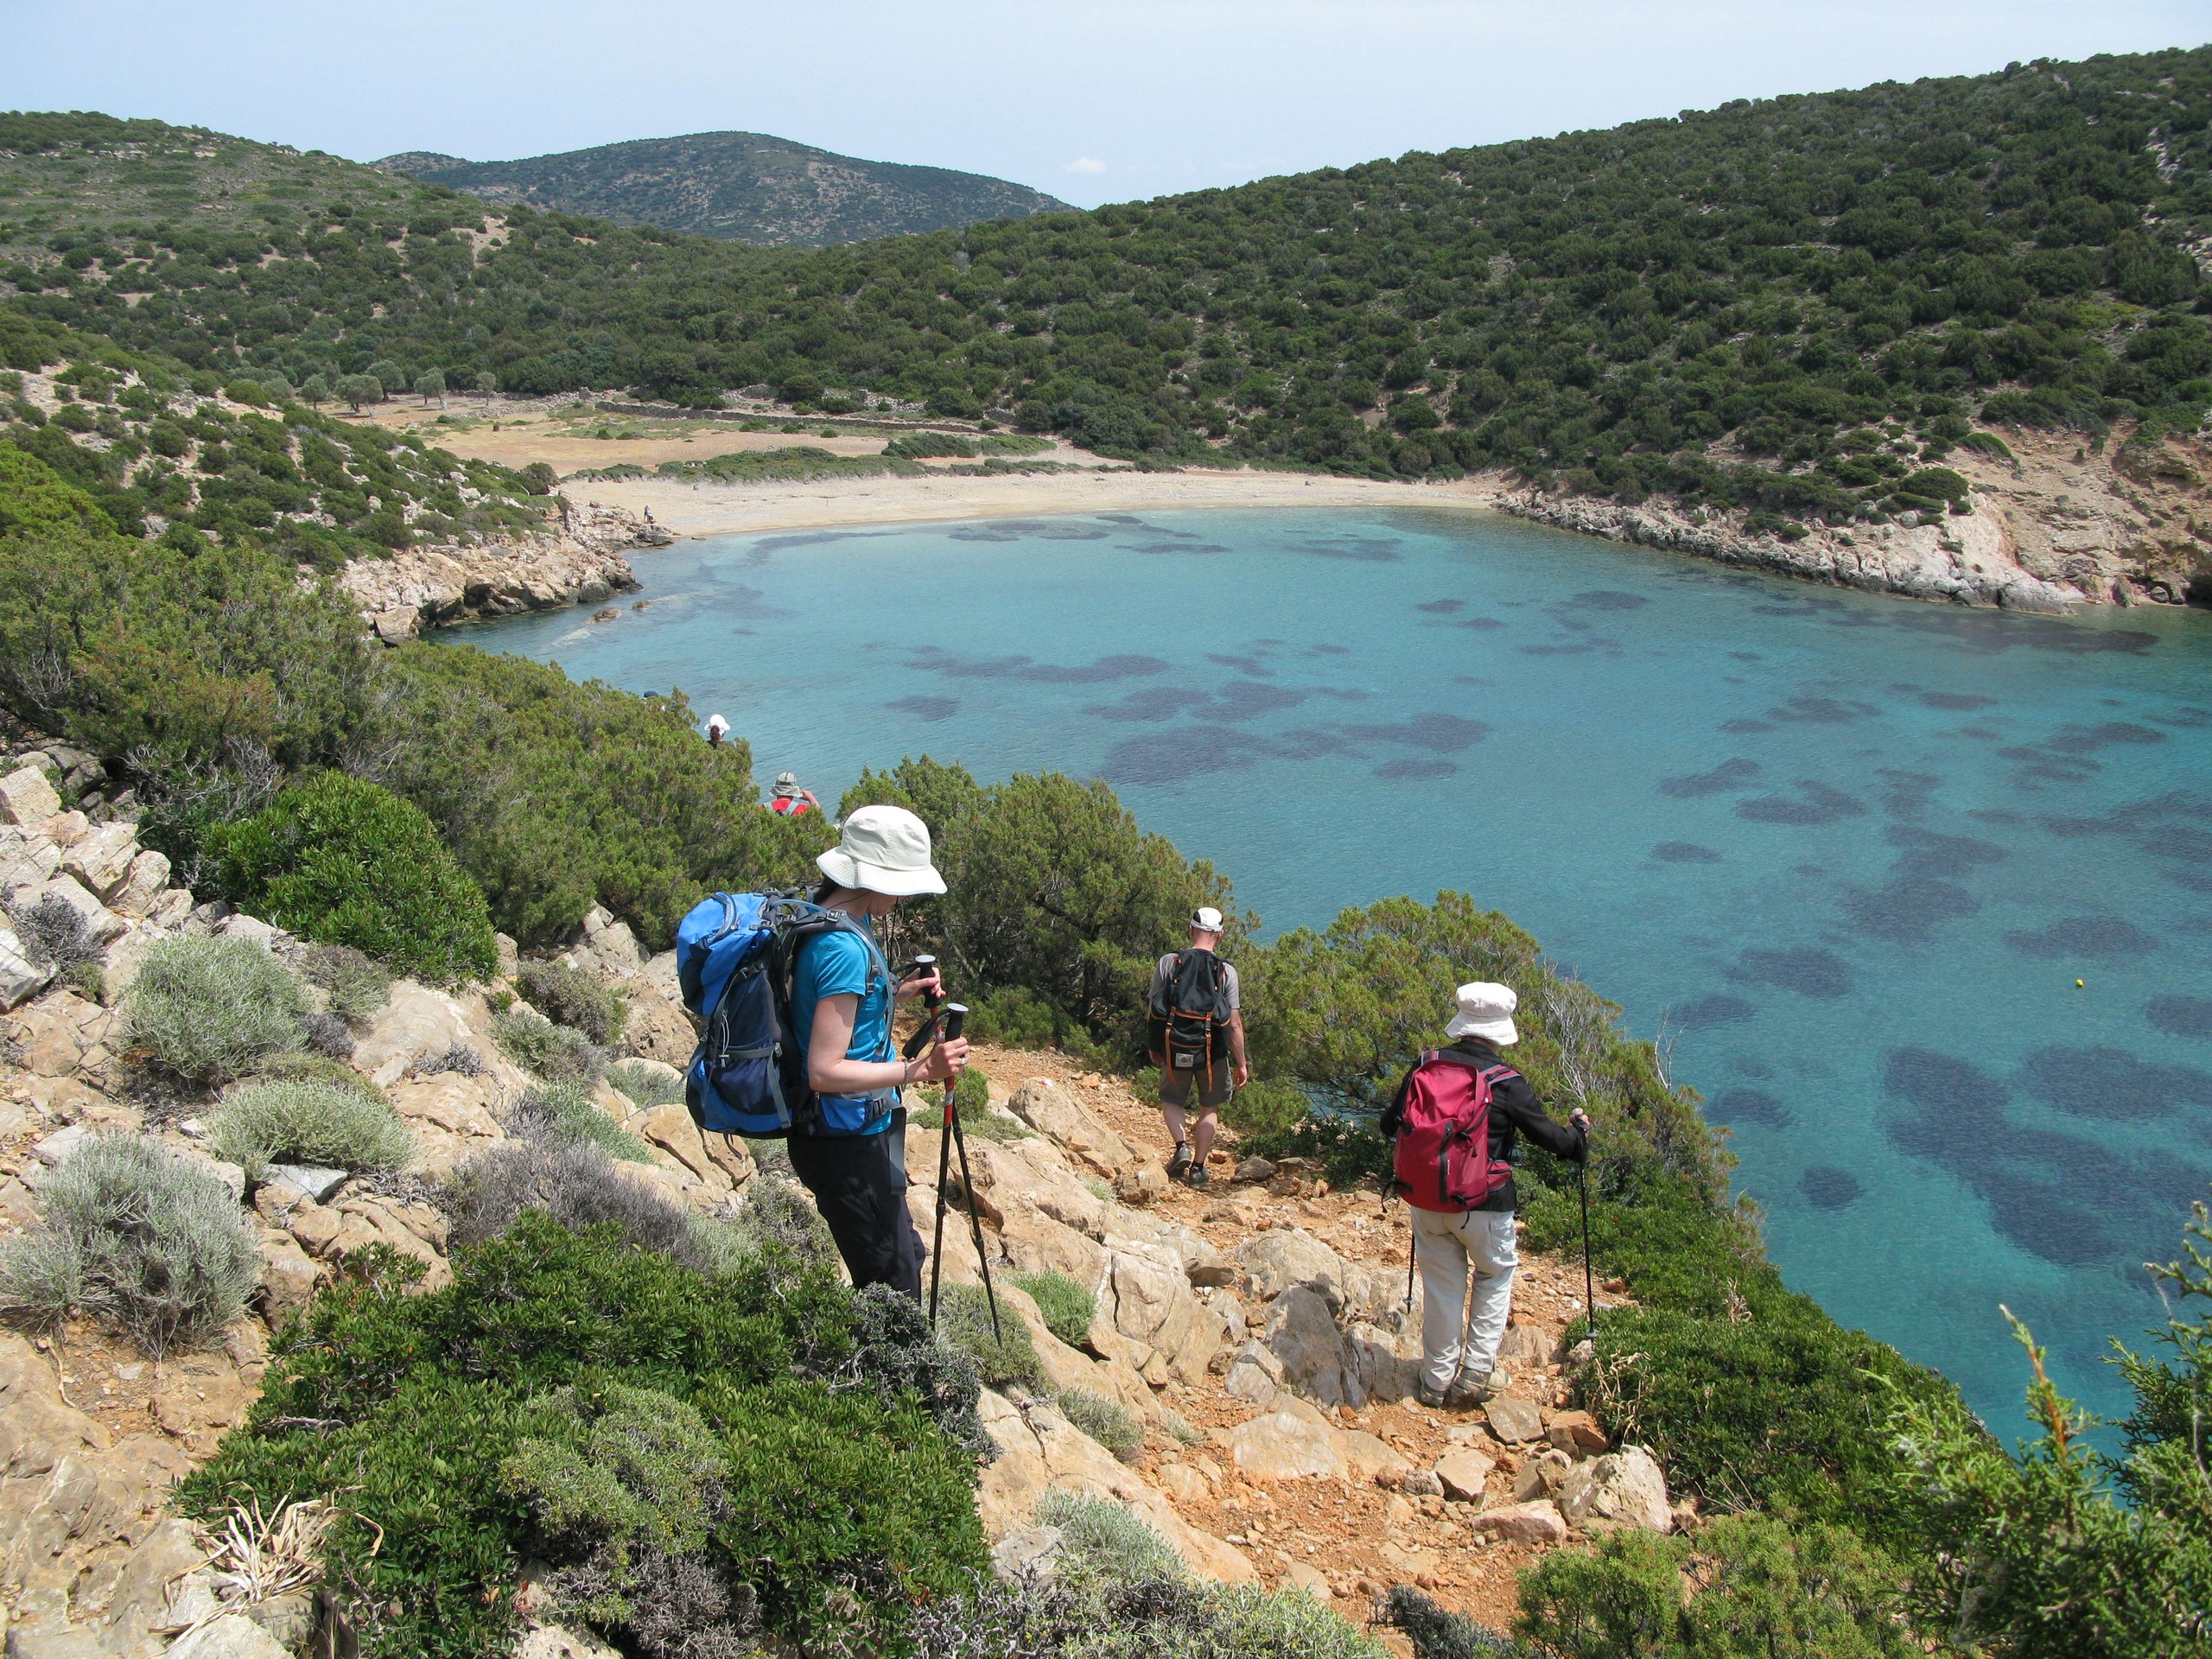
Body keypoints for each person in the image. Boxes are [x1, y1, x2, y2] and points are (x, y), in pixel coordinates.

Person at [785, 804, 969, 1297]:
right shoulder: (844, 948)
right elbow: (824, 1070)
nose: (907, 894)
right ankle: (881, 1372)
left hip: (856, 1131)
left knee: (906, 1255)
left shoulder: (832, 915)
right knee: (893, 1286)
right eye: (903, 881)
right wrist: (918, 1069)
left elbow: (842, 1009)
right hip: (842, 1143)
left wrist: (895, 991)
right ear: (875, 877)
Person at [1380, 982, 1589, 1409]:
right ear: (1501, 1029)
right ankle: (1477, 1370)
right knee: (1494, 1275)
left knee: (1441, 1286)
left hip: (1427, 1201)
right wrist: (1578, 1133)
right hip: (1485, 1203)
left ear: (1463, 1023)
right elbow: (1553, 1141)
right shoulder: (1508, 1082)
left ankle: (1435, 1381)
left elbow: (1389, 1124)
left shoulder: (1426, 1064)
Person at [1147, 905, 1248, 1188]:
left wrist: (1156, 1046)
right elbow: (1235, 1025)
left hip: (1175, 1044)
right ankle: (1198, 1168)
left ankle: (1181, 1147)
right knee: (1210, 1107)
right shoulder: (1227, 972)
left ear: (1191, 930)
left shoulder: (1169, 962)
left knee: (1171, 1099)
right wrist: (1241, 1063)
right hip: (1212, 1053)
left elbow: (1154, 1009)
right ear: (1220, 935)